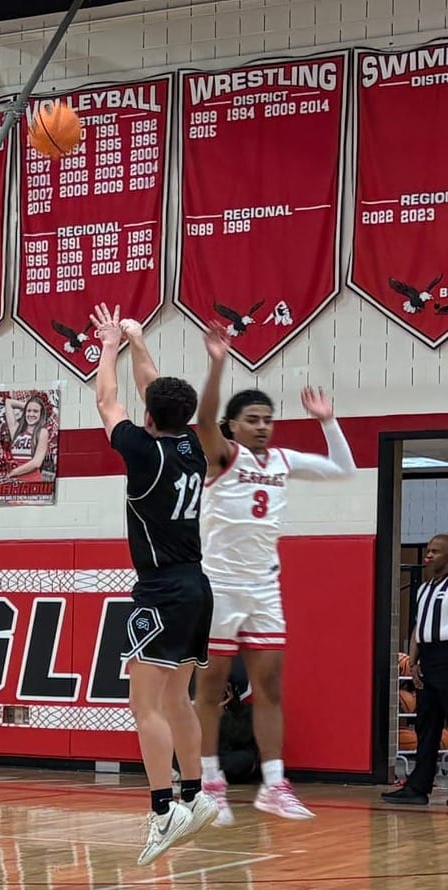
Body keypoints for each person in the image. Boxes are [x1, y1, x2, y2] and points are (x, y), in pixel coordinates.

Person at [194, 325, 356, 824]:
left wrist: (328, 421)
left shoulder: (284, 460)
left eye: (268, 419)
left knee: (270, 688)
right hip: (219, 585)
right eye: (253, 419)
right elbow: (204, 418)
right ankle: (209, 785)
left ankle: (273, 783)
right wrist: (217, 364)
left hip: (264, 585)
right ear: (233, 426)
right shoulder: (223, 455)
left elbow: (344, 470)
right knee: (211, 690)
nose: (263, 426)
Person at [90, 305, 218, 865]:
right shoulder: (193, 446)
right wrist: (139, 341)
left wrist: (109, 346)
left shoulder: (143, 454)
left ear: (149, 417)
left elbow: (107, 401)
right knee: (176, 698)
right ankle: (195, 793)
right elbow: (154, 392)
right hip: (196, 587)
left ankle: (164, 810)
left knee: (144, 706)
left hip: (161, 590)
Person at [383, 535, 448, 806]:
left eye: (435, 552)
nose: (428, 555)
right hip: (428, 658)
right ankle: (418, 787)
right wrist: (413, 662)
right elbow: (418, 628)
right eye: (428, 551)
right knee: (426, 725)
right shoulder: (423, 589)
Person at [1, 395, 49, 483]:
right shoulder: (16, 430)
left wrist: (14, 472)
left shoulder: (42, 432)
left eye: (35, 411)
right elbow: (8, 402)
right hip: (15, 482)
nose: (31, 414)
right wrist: (28, 406)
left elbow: (36, 463)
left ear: (41, 414)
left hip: (32, 482)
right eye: (29, 411)